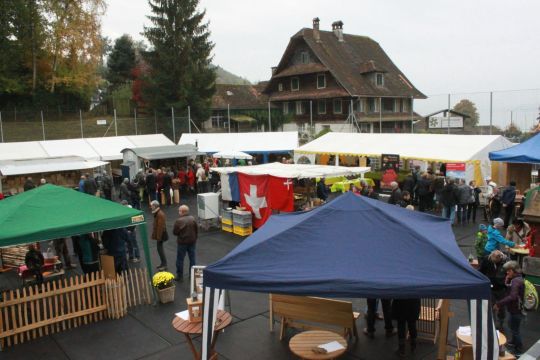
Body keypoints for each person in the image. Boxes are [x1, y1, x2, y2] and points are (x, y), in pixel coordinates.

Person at [494, 261, 525, 356]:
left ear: (514, 270)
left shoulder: (516, 281)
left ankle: (519, 350)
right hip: (515, 309)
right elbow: (510, 287)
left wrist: (499, 304)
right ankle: (513, 341)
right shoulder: (517, 278)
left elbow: (512, 296)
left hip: (516, 310)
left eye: (509, 271)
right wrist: (507, 280)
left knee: (515, 330)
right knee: (512, 326)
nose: (507, 273)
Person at [479, 250, 508, 329]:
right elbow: (481, 271)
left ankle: (501, 322)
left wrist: (505, 284)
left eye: (496, 261)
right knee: (491, 307)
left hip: (501, 288)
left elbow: (508, 274)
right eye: (493, 260)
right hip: (490, 287)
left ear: (500, 258)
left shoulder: (506, 262)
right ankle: (492, 325)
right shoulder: (486, 259)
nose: (494, 262)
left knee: (501, 307)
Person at [172, 205, 198, 281]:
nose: (178, 212)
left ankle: (180, 276)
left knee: (180, 259)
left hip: (182, 243)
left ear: (182, 212)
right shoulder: (193, 219)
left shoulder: (179, 221)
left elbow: (175, 232)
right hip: (192, 242)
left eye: (179, 210)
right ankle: (192, 275)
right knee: (192, 258)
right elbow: (196, 230)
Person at [150, 200, 168, 270]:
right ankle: (163, 263)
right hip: (159, 235)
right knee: (159, 249)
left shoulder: (159, 214)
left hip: (160, 236)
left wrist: (158, 237)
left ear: (155, 206)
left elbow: (160, 227)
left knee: (160, 250)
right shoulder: (157, 213)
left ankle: (164, 264)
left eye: (152, 206)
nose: (151, 207)